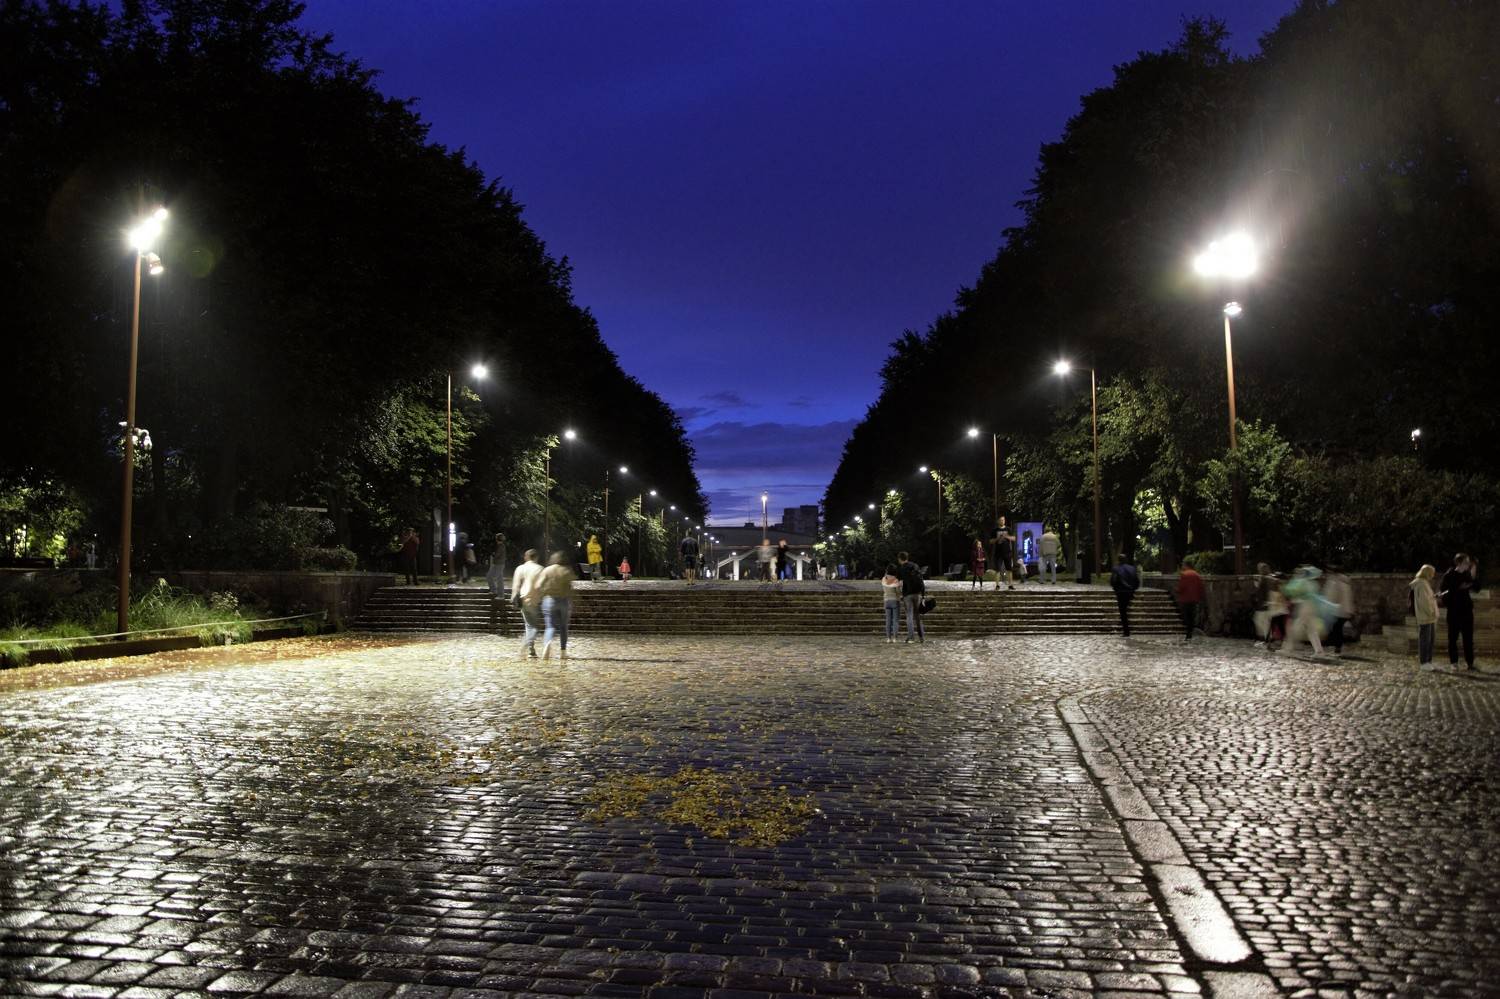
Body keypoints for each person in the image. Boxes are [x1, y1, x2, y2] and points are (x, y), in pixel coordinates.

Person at [1440, 553, 1478, 670]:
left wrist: (1473, 574)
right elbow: (1444, 593)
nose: (1468, 564)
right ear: (1459, 563)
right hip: (1454, 612)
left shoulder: (1467, 574)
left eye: (1469, 562)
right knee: (1453, 638)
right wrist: (1458, 589)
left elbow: (1477, 588)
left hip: (1467, 611)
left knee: (1468, 639)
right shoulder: (1449, 575)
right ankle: (1454, 662)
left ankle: (1470, 663)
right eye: (1466, 562)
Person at [536, 551, 576, 660]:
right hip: (564, 601)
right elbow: (571, 587)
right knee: (564, 627)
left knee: (550, 626)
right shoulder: (566, 570)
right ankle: (563, 652)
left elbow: (538, 585)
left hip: (549, 600)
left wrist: (543, 594)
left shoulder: (547, 570)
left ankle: (547, 644)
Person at [1280, 565, 1327, 657]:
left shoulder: (1302, 582)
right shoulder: (1313, 583)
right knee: (1311, 630)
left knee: (1295, 628)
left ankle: (1288, 649)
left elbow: (1291, 592)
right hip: (1312, 607)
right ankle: (1319, 651)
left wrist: (1284, 586)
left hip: (1304, 607)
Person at [510, 549, 545, 658]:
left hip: (522, 599)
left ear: (526, 557)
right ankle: (526, 645)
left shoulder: (520, 568)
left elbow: (516, 585)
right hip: (535, 600)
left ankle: (531, 650)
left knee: (529, 625)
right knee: (534, 626)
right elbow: (542, 586)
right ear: (536, 557)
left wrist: (513, 599)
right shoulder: (540, 569)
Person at [1410, 564, 1440, 670]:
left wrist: (1434, 596)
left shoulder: (1423, 583)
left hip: (1429, 616)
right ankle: (1424, 662)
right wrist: (1432, 612)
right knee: (1425, 640)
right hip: (1426, 616)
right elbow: (1424, 602)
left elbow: (1426, 599)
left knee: (1430, 640)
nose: (1433, 575)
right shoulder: (1421, 584)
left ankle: (1428, 661)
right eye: (1432, 573)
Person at [1322, 564, 1355, 657]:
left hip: (1337, 610)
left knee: (1336, 629)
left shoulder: (1334, 582)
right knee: (1338, 628)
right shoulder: (1346, 582)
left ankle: (1337, 646)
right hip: (1345, 610)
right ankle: (1337, 646)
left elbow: (1331, 596)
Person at [896, 551, 925, 643]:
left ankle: (911, 637)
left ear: (900, 559)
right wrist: (923, 594)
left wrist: (900, 594)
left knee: (909, 615)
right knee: (917, 616)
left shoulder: (901, 568)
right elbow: (921, 579)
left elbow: (900, 583)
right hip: (917, 593)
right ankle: (921, 637)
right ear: (907, 558)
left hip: (907, 594)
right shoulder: (915, 565)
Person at [1110, 552, 1140, 636]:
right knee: (1125, 609)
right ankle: (1126, 630)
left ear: (1118, 560)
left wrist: (1115, 589)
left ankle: (1126, 631)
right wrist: (1133, 589)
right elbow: (1137, 581)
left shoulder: (1116, 568)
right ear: (1126, 560)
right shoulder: (1132, 568)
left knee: (1122, 611)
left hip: (1121, 592)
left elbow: (1113, 581)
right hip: (1130, 592)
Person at [1176, 562, 1204, 641]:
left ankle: (1188, 633)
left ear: (1186, 566)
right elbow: (1200, 587)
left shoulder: (1184, 574)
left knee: (1186, 616)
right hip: (1194, 599)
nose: (1182, 567)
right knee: (1192, 616)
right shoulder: (1197, 575)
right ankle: (1190, 633)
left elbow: (1181, 587)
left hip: (1185, 599)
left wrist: (1177, 590)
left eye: (1183, 566)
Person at [1252, 562, 1277, 647]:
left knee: (1259, 620)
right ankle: (1267, 640)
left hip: (1264, 604)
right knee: (1265, 622)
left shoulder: (1264, 578)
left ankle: (1267, 640)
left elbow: (1262, 591)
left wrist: (1266, 601)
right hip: (1268, 603)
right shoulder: (1269, 578)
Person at [992, 517, 1015, 591]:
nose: (1002, 521)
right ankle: (997, 585)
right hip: (998, 553)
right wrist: (997, 538)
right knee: (997, 570)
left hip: (1007, 552)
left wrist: (1006, 536)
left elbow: (1013, 538)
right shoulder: (995, 530)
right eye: (1001, 520)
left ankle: (1010, 585)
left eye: (1003, 520)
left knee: (1009, 569)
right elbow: (991, 541)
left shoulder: (1008, 529)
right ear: (998, 521)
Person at [881, 563, 902, 643]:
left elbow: (884, 589)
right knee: (895, 620)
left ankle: (888, 638)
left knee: (888, 620)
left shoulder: (883, 579)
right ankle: (895, 638)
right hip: (895, 600)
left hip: (886, 600)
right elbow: (898, 592)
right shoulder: (896, 580)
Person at [485, 533, 508, 598]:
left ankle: (501, 595)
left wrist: (493, 554)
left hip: (499, 564)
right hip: (496, 564)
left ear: (497, 539)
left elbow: (497, 555)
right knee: (489, 576)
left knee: (499, 580)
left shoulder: (501, 546)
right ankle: (494, 590)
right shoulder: (498, 545)